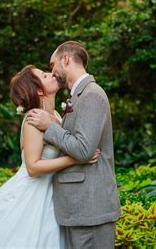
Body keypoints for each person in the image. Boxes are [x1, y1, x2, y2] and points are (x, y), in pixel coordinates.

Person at [0, 65, 100, 248]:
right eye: (44, 75)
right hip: (31, 195)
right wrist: (76, 159)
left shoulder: (53, 115)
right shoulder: (33, 119)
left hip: (51, 193)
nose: (51, 74)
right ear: (39, 90)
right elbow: (33, 168)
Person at [26, 41, 121, 248]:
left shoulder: (91, 95)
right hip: (78, 208)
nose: (52, 72)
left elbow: (84, 150)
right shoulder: (78, 96)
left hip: (91, 208)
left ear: (66, 59)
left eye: (53, 65)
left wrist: (50, 126)